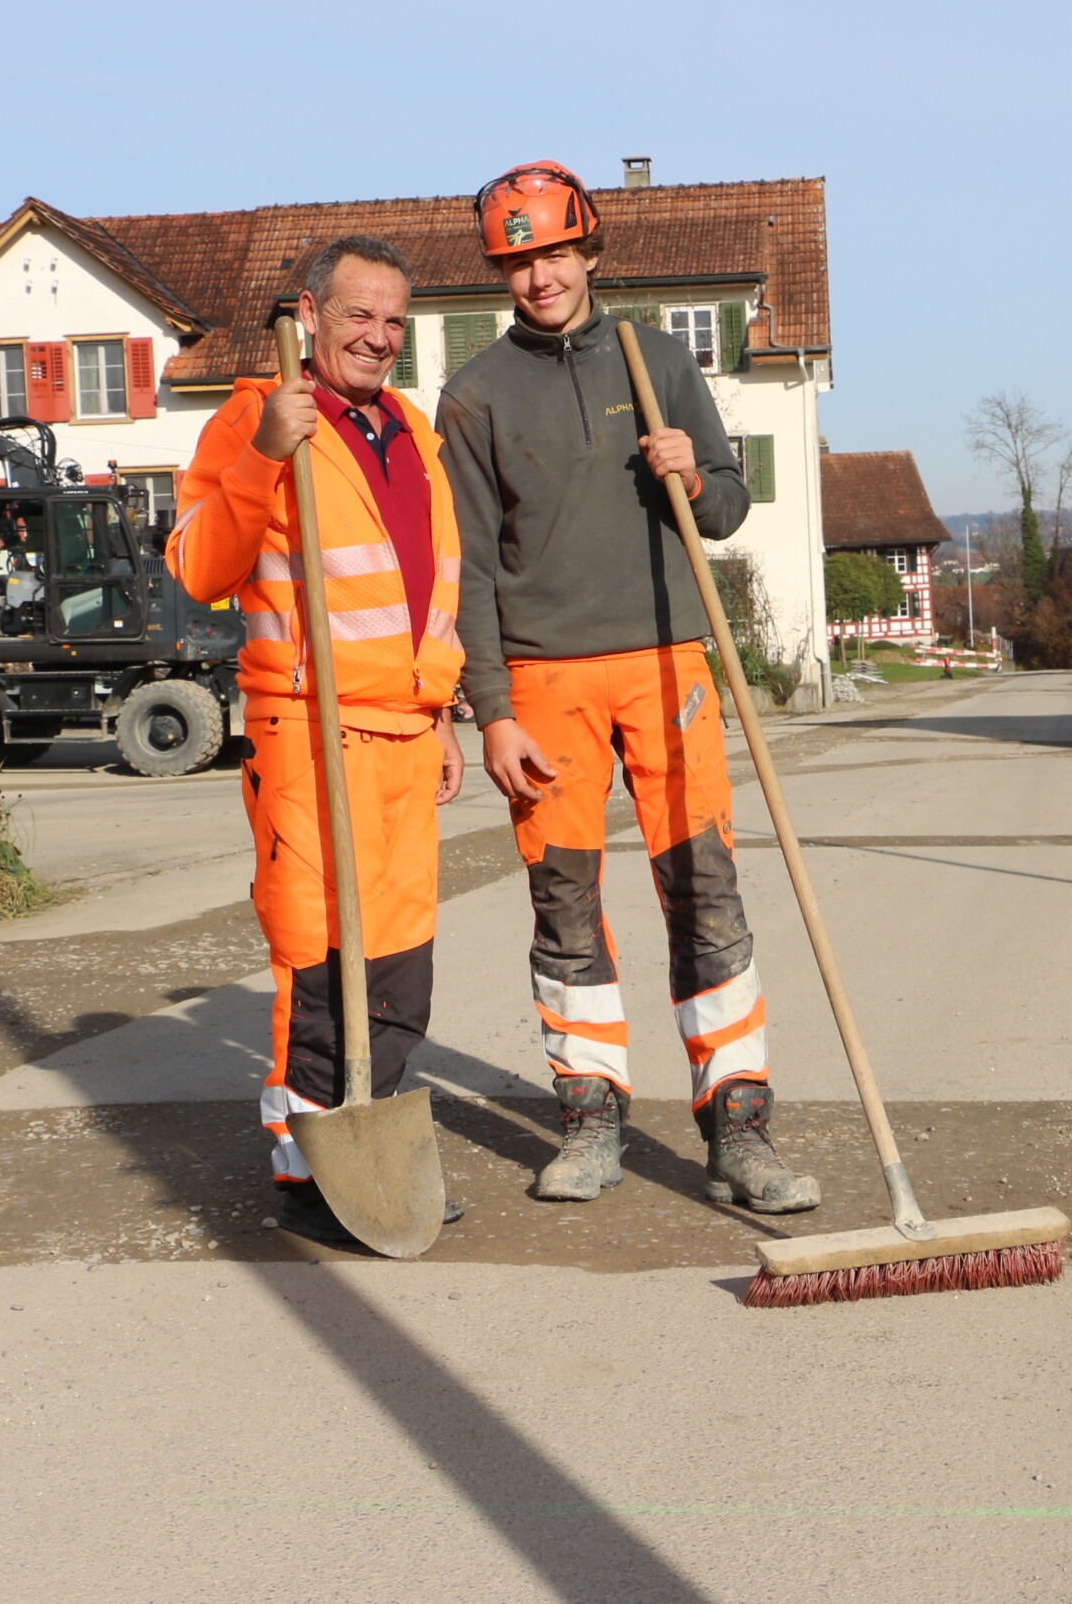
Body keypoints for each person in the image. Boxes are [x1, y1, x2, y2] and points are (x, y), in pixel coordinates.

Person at [436, 161, 819, 1214]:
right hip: (542, 677)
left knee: (705, 892)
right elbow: (464, 567)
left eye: (554, 253)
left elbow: (731, 507)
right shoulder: (472, 396)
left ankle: (738, 1126)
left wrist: (692, 473)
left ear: (590, 253)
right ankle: (589, 1117)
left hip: (667, 662)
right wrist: (492, 709)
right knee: (564, 902)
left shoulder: (659, 361)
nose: (538, 277)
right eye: (516, 261)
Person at [169, 234, 468, 1245]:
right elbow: (198, 569)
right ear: (309, 314)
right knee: (318, 958)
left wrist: (442, 703)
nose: (378, 338)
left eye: (393, 321)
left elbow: (426, 589)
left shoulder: (412, 432)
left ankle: (368, 1154)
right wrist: (262, 463)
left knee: (399, 965)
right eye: (357, 316)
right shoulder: (254, 420)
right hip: (307, 732)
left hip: (404, 733)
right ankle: (305, 1170)